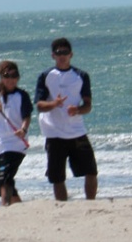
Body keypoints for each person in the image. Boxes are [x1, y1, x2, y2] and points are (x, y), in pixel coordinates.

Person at [34, 37, 98, 201]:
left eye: (65, 52)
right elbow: (40, 105)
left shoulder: (81, 75)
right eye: (58, 53)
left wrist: (78, 110)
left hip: (77, 131)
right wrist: (54, 104)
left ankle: (90, 203)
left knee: (91, 171)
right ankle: (62, 206)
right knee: (57, 177)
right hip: (54, 133)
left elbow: (88, 105)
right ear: (53, 56)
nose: (62, 56)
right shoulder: (46, 76)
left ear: (71, 54)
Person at [0, 60, 32, 206]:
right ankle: (19, 207)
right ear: (2, 78)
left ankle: (5, 207)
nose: (10, 79)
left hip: (16, 144)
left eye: (13, 76)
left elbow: (27, 116)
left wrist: (23, 129)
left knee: (5, 177)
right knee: (0, 180)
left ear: (17, 78)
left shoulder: (22, 95)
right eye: (7, 76)